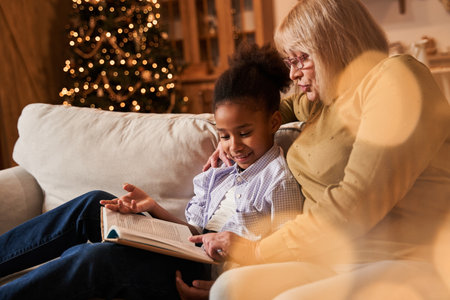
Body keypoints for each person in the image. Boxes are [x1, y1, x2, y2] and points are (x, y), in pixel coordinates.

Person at [0, 43, 303, 300]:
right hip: (187, 254)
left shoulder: (279, 182)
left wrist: (225, 291)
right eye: (224, 135)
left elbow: (287, 258)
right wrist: (152, 208)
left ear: (274, 123)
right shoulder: (223, 172)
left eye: (245, 132)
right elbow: (194, 235)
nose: (234, 146)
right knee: (93, 204)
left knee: (96, 258)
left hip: (201, 277)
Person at [196, 0, 450, 299]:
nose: (292, 74)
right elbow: (276, 109)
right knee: (229, 289)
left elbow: (357, 202)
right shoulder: (327, 98)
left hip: (403, 257)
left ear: (334, 45)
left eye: (300, 59)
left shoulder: (395, 78)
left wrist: (258, 249)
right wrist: (231, 140)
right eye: (288, 62)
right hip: (334, 257)